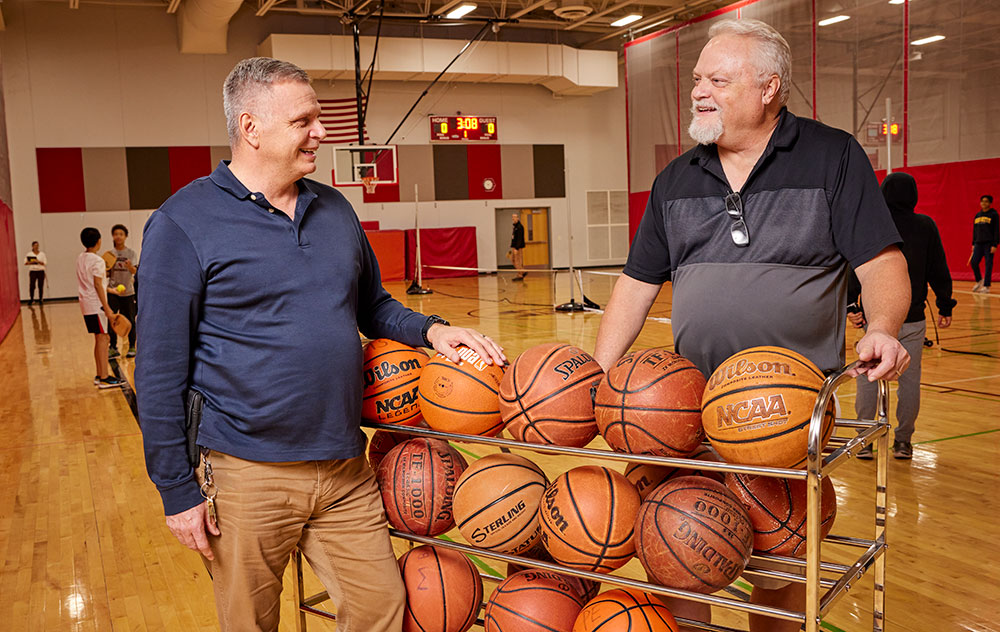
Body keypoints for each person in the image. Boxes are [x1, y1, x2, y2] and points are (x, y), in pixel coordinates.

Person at [135, 57, 505, 632]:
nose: (322, 132)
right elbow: (158, 370)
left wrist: (433, 330)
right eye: (304, 120)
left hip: (343, 468)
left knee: (381, 610)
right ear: (251, 128)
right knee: (250, 624)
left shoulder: (334, 209)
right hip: (246, 474)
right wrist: (175, 491)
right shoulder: (183, 222)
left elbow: (373, 306)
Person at [592, 19, 910, 632]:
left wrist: (885, 326)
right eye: (696, 80)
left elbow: (880, 261)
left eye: (718, 79)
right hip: (683, 409)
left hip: (786, 413)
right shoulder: (676, 178)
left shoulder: (832, 154)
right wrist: (602, 373)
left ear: (769, 88)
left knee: (778, 569)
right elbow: (636, 283)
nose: (699, 91)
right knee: (681, 552)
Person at [850, 172, 956, 461]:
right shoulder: (925, 226)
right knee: (909, 382)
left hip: (877, 321)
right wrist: (945, 305)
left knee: (868, 379)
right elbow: (939, 268)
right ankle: (903, 443)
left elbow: (857, 268)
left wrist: (852, 307)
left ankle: (864, 440)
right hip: (912, 320)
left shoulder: (875, 225)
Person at [77, 228, 125, 389]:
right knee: (104, 339)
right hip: (96, 305)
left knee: (99, 339)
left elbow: (93, 283)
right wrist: (108, 309)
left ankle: (100, 375)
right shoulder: (97, 261)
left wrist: (110, 290)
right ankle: (104, 377)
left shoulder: (81, 258)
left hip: (86, 304)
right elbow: (97, 284)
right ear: (98, 241)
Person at [106, 224, 138, 358]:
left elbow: (135, 272)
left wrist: (130, 267)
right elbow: (106, 274)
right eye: (116, 234)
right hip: (113, 292)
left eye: (121, 234)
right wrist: (107, 269)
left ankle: (131, 346)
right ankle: (113, 347)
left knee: (130, 319)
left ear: (125, 236)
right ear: (113, 236)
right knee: (112, 320)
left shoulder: (131, 253)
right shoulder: (110, 254)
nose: (118, 236)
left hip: (128, 292)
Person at [970, 194, 998, 293]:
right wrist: (973, 243)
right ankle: (979, 280)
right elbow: (975, 230)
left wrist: (995, 244)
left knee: (988, 264)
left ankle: (986, 286)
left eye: (986, 201)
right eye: (982, 201)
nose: (983, 203)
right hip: (978, 243)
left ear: (990, 203)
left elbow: (996, 230)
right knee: (973, 262)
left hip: (989, 244)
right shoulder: (978, 215)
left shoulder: (994, 214)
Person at [509, 212, 526, 280]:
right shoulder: (515, 226)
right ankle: (522, 272)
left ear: (517, 218)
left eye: (514, 217)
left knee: (517, 261)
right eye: (512, 217)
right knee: (513, 260)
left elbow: (519, 238)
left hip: (517, 247)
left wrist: (516, 248)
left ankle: (520, 274)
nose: (513, 218)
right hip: (514, 247)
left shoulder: (519, 227)